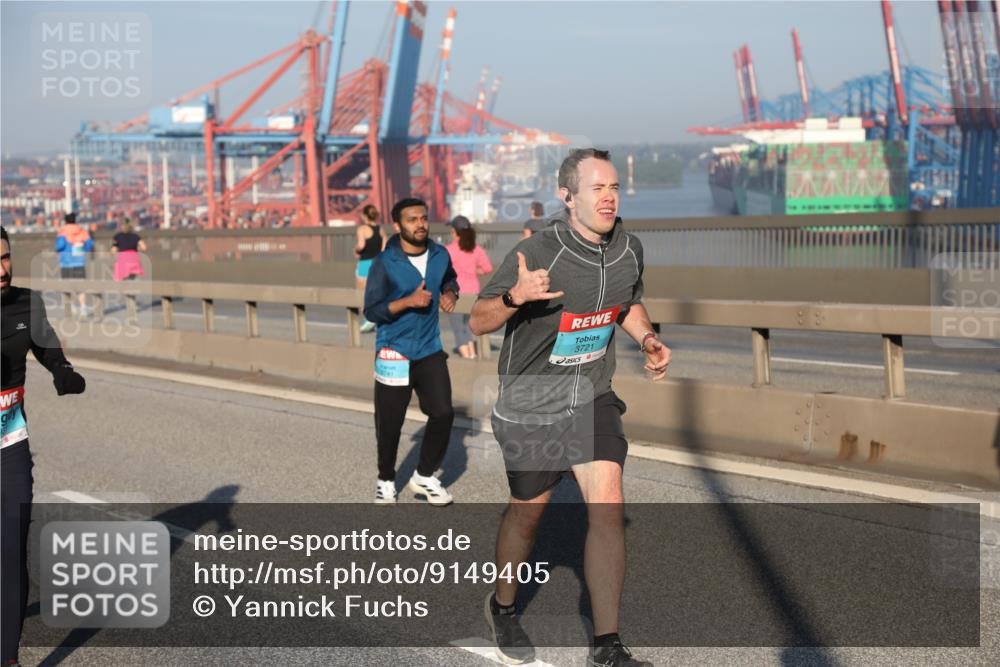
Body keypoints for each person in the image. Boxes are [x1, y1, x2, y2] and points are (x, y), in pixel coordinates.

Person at [470, 149, 670, 667]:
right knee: (527, 515)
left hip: (591, 395)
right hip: (532, 400)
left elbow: (626, 302)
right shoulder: (538, 250)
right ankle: (503, 606)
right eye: (596, 188)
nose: (608, 197)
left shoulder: (629, 249)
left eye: (614, 187)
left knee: (607, 506)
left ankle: (607, 646)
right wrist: (515, 297)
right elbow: (477, 320)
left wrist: (647, 337)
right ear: (568, 197)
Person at [1, 226, 87, 666]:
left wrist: (62, 370)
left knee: (11, 547)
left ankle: (8, 657)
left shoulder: (27, 302)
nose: (2, 270)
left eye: (5, 258)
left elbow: (47, 345)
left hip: (9, 441)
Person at [363, 198, 460, 506]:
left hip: (429, 348)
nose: (420, 224)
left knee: (443, 413)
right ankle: (386, 479)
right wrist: (407, 302)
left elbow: (450, 278)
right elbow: (372, 311)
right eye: (412, 219)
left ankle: (424, 476)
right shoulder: (384, 262)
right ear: (397, 225)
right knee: (390, 423)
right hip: (393, 351)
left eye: (423, 218)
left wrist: (450, 293)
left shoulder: (440, 254)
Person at [444, 215, 493, 359]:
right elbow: (488, 268)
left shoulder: (448, 250)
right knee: (468, 326)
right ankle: (472, 354)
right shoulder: (476, 249)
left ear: (453, 232)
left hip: (455, 292)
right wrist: (474, 271)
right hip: (473, 292)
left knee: (458, 328)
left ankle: (467, 359)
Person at [54, 212, 93, 317]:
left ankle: (72, 307)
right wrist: (82, 249)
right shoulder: (82, 231)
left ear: (65, 221)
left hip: (66, 263)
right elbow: (89, 245)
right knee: (81, 287)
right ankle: (83, 308)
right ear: (75, 220)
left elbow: (59, 246)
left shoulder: (62, 232)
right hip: (79, 262)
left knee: (67, 286)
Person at [355, 204, 386, 334]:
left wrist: (356, 250)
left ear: (364, 216)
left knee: (363, 293)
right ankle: (377, 321)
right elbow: (384, 248)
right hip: (378, 264)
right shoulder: (381, 229)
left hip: (365, 264)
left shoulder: (362, 229)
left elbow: (361, 245)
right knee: (377, 293)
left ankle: (368, 320)